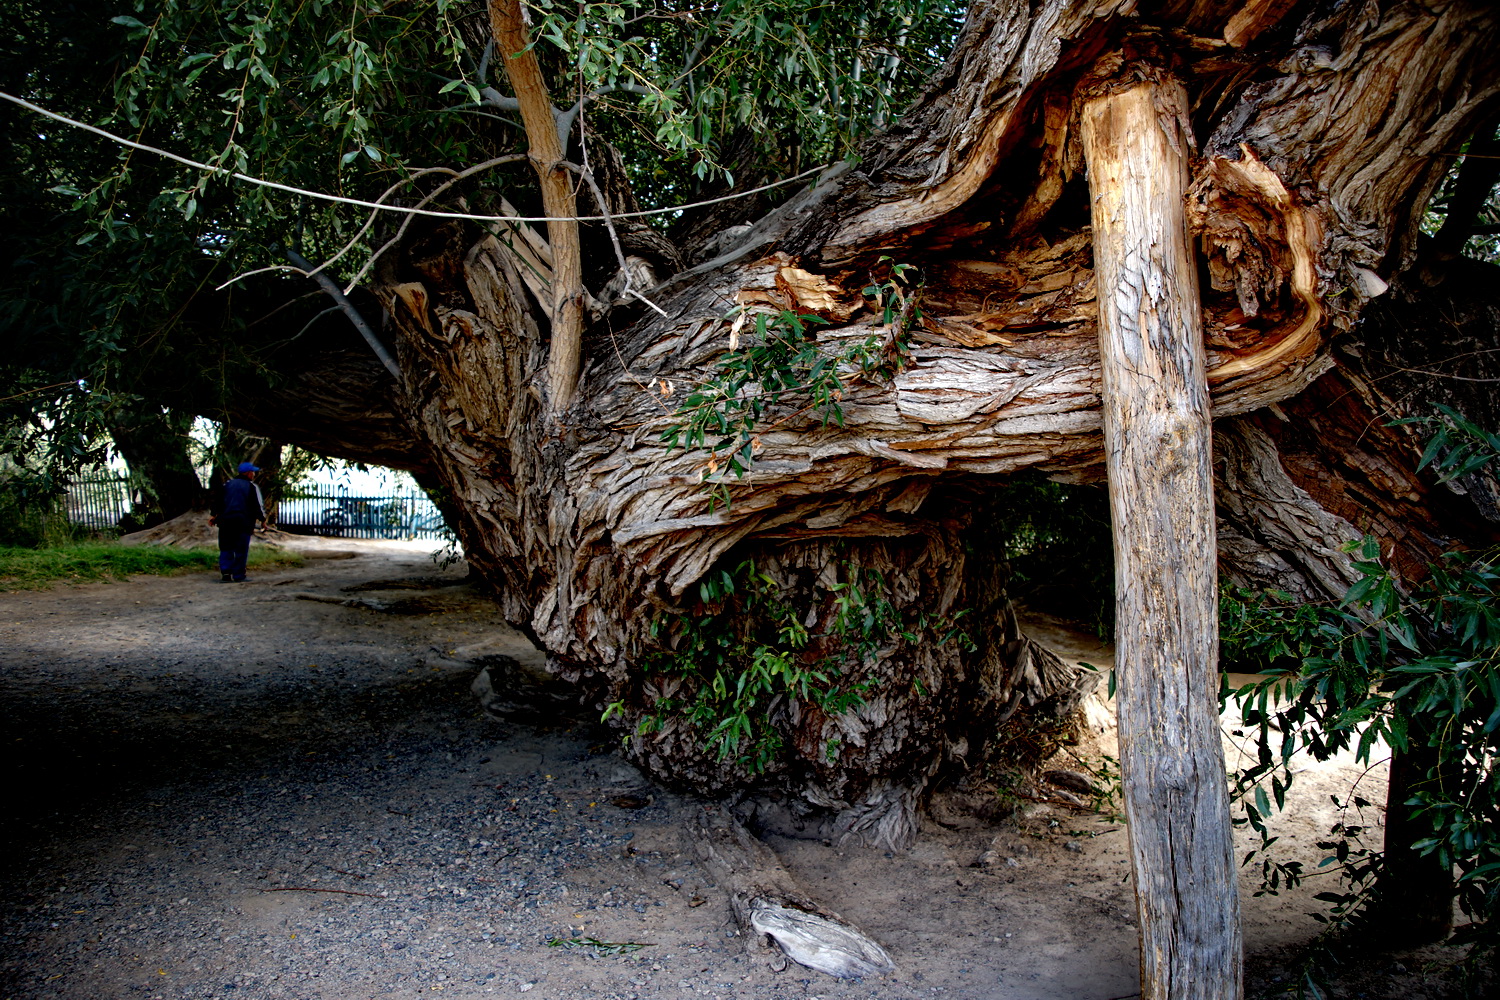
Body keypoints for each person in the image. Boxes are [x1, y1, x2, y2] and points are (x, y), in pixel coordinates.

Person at [209, 462, 267, 582]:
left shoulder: (227, 484)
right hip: (243, 523)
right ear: (248, 473)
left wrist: (213, 516)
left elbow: (218, 502)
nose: (254, 474)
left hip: (226, 522)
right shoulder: (251, 487)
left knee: (226, 548)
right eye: (253, 472)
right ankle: (239, 575)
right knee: (241, 549)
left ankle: (226, 574)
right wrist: (263, 520)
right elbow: (256, 506)